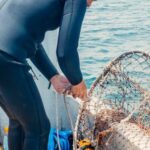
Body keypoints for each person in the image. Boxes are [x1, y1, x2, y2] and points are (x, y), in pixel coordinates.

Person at [0, 0, 94, 149]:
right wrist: (78, 82)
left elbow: (28, 38)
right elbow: (66, 52)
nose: (90, 5)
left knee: (17, 121)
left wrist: (53, 76)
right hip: (7, 58)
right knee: (39, 129)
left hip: (4, 54)